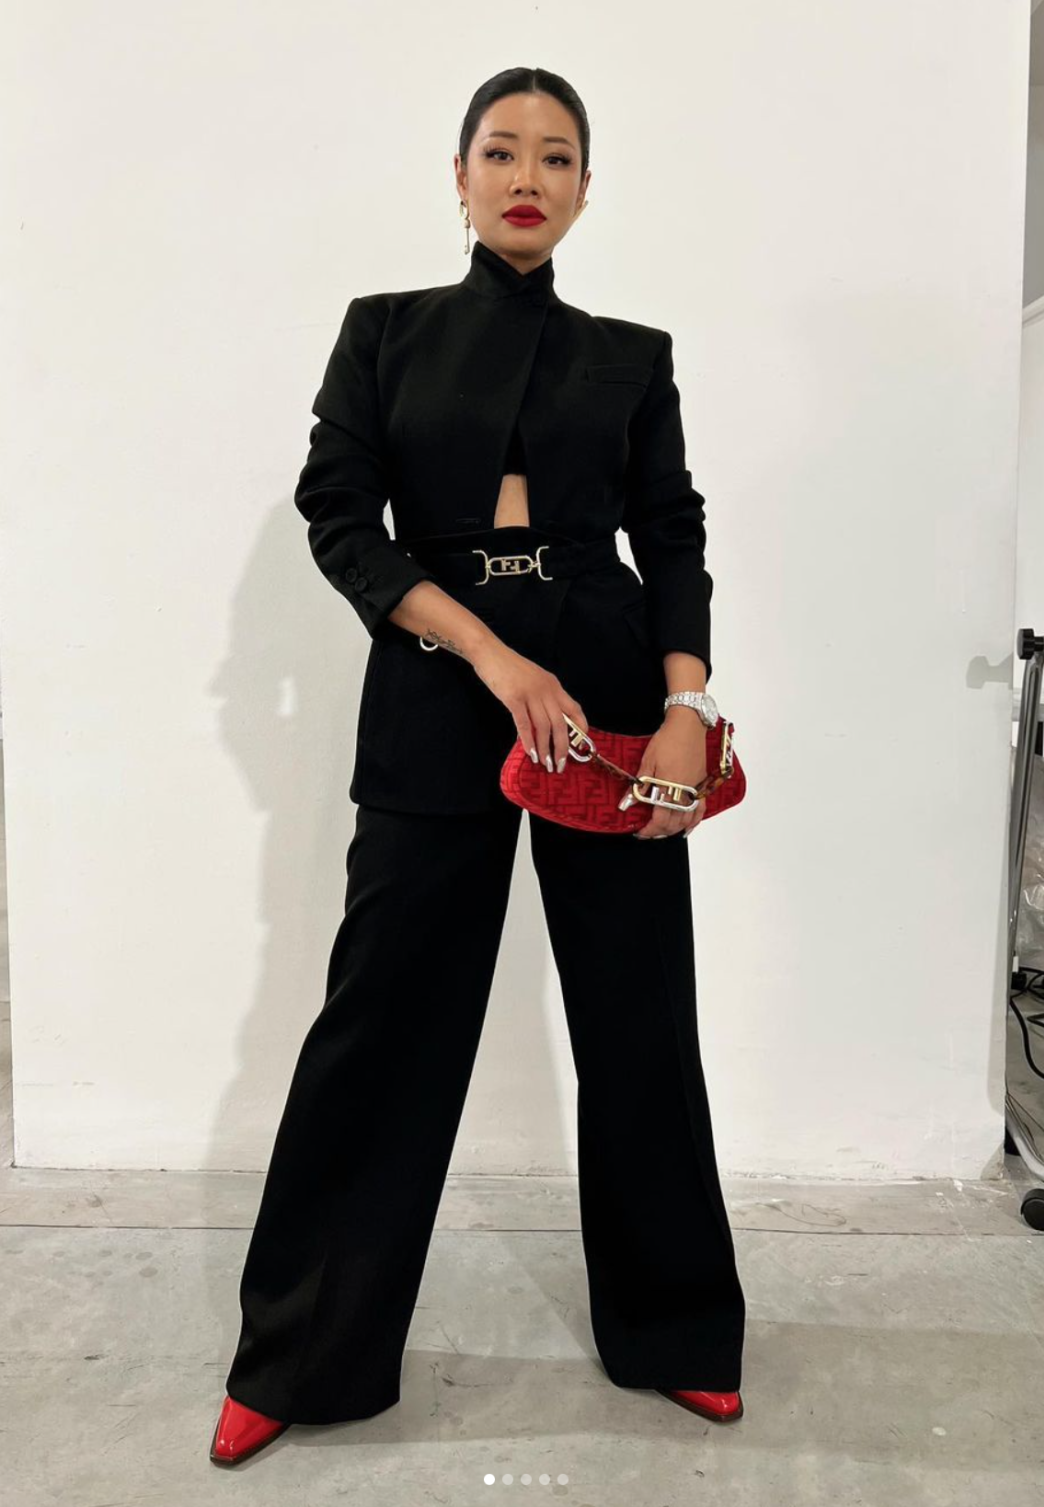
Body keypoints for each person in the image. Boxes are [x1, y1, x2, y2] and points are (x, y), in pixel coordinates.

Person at [210, 65, 746, 1467]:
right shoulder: (383, 332)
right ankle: (304, 1353)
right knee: (381, 1023)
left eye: (557, 157)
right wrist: (496, 660)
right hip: (441, 690)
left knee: (640, 1016)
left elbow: (671, 529)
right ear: (458, 178)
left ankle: (680, 1329)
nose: (527, 176)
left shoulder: (632, 355)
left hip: (615, 703)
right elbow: (341, 517)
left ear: (584, 189)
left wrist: (688, 704)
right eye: (502, 151)